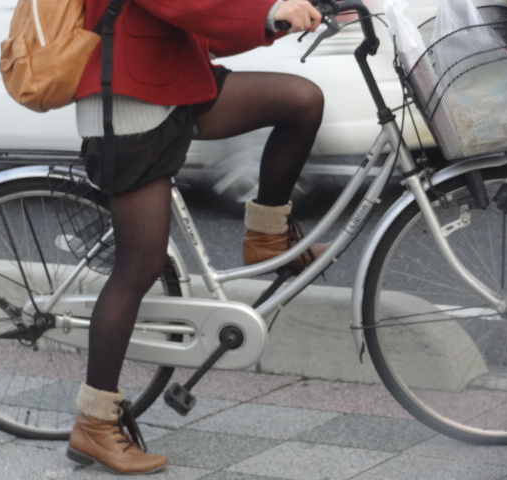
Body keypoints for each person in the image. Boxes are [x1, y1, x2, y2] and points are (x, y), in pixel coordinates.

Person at [66, 0, 325, 474]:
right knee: (139, 265)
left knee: (301, 101)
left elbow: (207, 20)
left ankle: (268, 237)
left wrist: (278, 15)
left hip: (175, 79)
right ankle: (94, 423)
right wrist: (270, 13)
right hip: (128, 96)